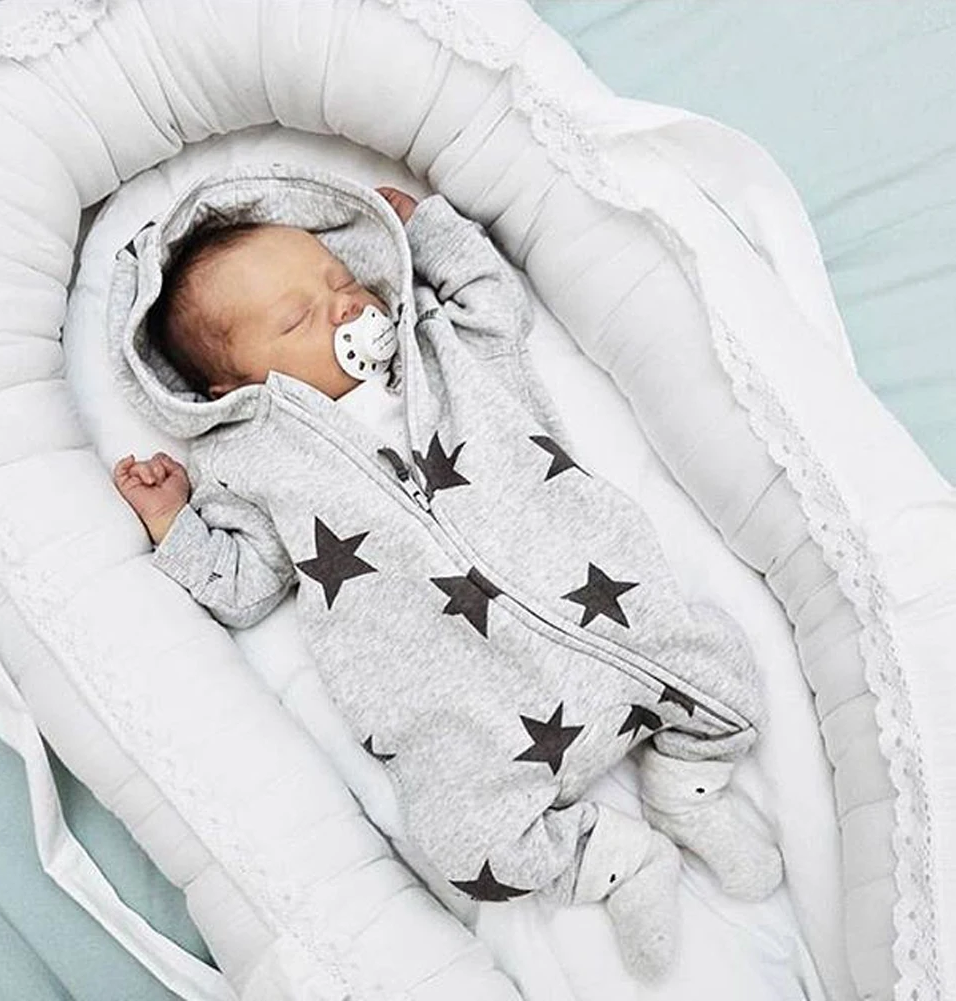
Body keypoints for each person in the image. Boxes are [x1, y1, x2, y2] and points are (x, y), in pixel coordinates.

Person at [109, 162, 782, 980]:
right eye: (297, 318)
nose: (344, 306)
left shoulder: (442, 347)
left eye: (341, 280)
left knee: (723, 675)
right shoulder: (249, 460)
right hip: (470, 710)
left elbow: (497, 300)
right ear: (231, 384)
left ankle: (685, 786)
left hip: (609, 619)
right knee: (466, 843)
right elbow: (246, 586)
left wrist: (426, 233)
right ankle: (613, 857)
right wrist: (173, 522)